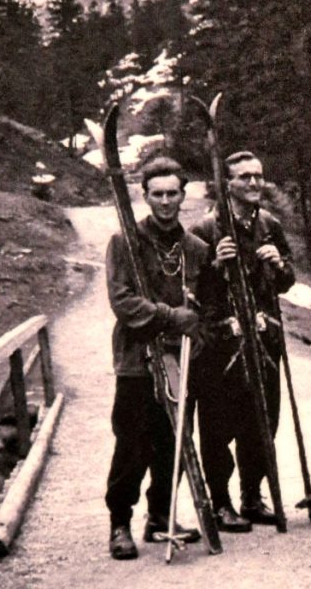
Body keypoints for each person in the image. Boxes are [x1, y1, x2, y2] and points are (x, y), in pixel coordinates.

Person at [105, 156, 208, 560]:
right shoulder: (126, 241)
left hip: (180, 359)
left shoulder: (195, 248)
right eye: (157, 194)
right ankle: (119, 523)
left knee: (174, 441)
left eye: (173, 193)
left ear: (184, 195)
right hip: (136, 360)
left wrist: (195, 322)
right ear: (145, 197)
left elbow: (204, 304)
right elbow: (123, 302)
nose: (166, 201)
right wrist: (169, 316)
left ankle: (160, 515)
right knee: (132, 443)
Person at [191, 150, 295, 533]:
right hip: (221, 343)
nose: (254, 183)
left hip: (264, 339)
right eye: (244, 177)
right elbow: (191, 291)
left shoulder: (269, 225)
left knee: (263, 420)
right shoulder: (205, 230)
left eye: (258, 176)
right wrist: (216, 265)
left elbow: (288, 281)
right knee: (218, 425)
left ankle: (253, 496)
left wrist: (278, 265)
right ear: (226, 184)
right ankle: (221, 503)